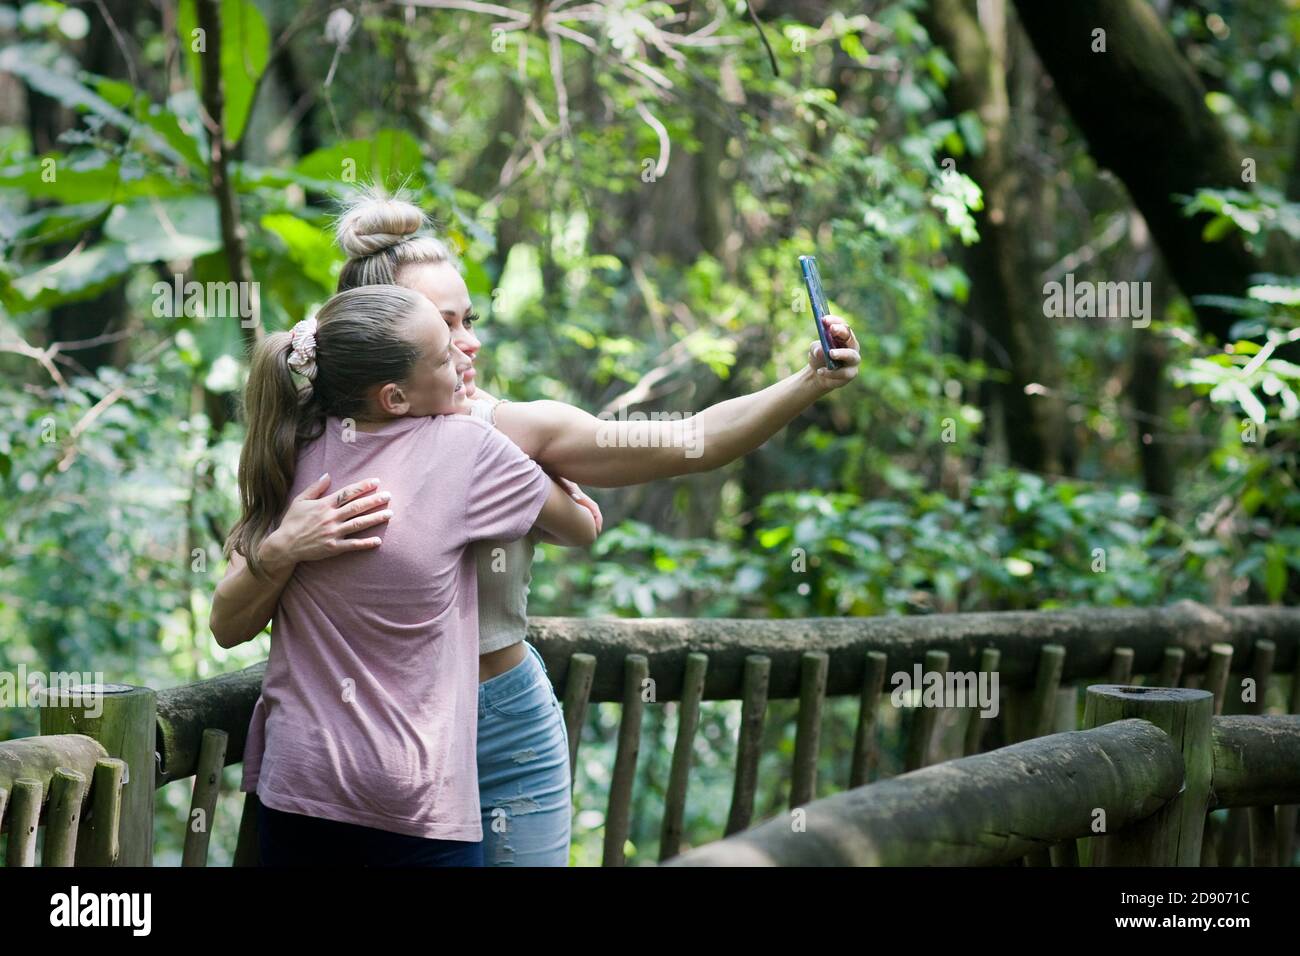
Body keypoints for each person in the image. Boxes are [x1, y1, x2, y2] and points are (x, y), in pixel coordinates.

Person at [211, 191, 861, 866]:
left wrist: (807, 382)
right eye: (443, 324)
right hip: (364, 759)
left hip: (503, 725)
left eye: (468, 320)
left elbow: (688, 441)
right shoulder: (303, 443)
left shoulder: (497, 428)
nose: (468, 342)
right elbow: (232, 615)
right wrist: (285, 546)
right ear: (383, 342)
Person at [212, 283, 598, 866]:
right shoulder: (468, 446)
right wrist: (541, 465)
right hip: (419, 809)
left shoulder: (287, 446)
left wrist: (282, 548)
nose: (464, 360)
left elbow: (226, 625)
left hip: (297, 791)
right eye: (444, 356)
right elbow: (581, 529)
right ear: (394, 396)